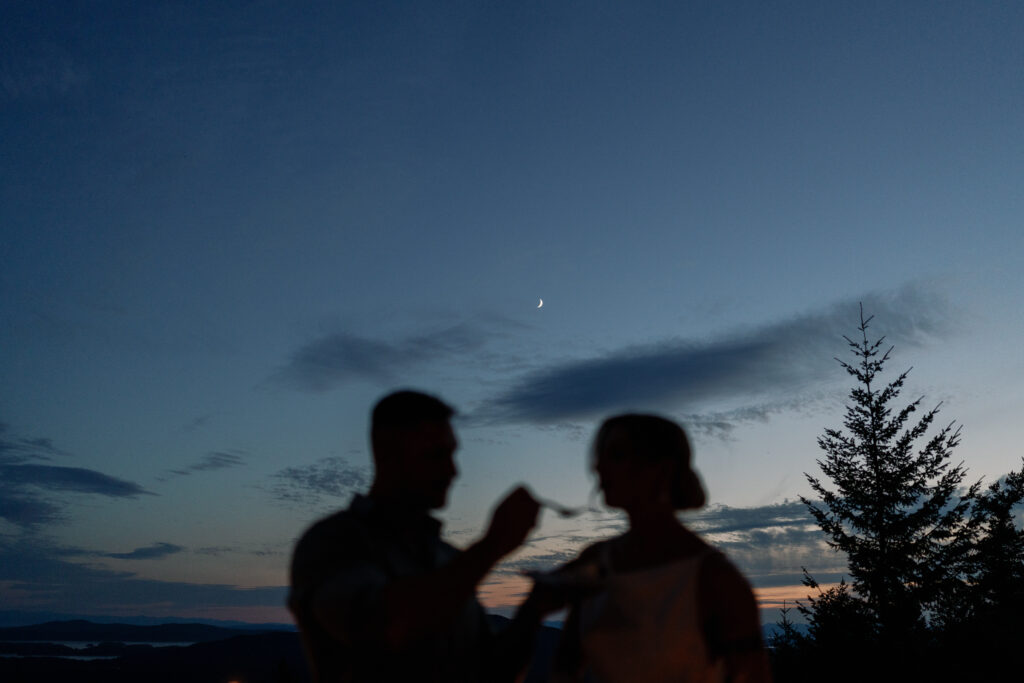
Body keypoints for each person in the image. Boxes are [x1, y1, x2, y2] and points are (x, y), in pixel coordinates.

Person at [288, 390, 549, 682]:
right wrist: (491, 546)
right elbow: (386, 628)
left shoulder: (448, 558)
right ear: (386, 454)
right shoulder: (333, 542)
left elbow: (493, 673)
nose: (453, 471)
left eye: (452, 453)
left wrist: (534, 609)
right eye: (436, 455)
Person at [548, 414, 771, 683]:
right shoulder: (594, 561)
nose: (598, 467)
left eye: (616, 454)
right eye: (600, 455)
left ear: (661, 469)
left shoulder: (716, 580)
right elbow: (565, 669)